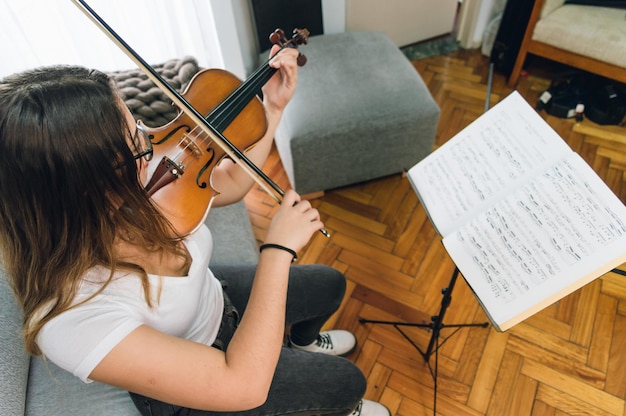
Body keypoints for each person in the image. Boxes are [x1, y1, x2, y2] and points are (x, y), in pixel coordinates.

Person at [0, 44, 391, 416]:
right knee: (347, 384)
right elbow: (242, 383)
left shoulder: (136, 179)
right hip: (205, 381)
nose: (151, 142)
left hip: (211, 298)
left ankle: (301, 340)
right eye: (134, 141)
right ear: (88, 188)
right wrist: (277, 250)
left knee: (330, 285)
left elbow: (233, 181)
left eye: (135, 122)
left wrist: (272, 107)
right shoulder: (72, 321)